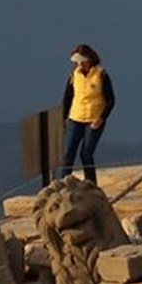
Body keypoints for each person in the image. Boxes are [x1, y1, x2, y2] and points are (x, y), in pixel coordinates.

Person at [59, 44, 115, 184]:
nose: (79, 64)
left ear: (89, 59)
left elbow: (111, 99)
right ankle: (62, 183)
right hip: (75, 118)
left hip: (94, 119)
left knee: (86, 153)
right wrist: (62, 119)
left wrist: (102, 118)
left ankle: (91, 184)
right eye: (77, 62)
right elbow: (67, 98)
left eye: (82, 61)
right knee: (68, 154)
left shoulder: (101, 74)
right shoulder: (74, 75)